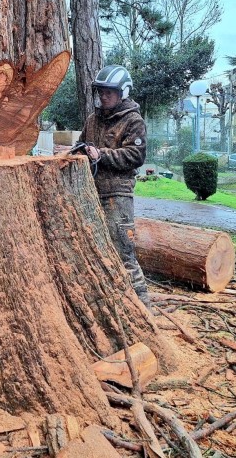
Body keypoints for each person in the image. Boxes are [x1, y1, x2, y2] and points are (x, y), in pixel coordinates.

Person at [79, 65, 150, 307]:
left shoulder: (133, 121)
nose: (103, 96)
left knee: (124, 254)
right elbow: (82, 145)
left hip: (117, 196)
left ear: (123, 92)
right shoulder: (93, 120)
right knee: (94, 251)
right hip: (91, 193)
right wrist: (74, 152)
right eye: (101, 92)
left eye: (108, 92)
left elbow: (135, 155)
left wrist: (101, 155)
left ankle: (143, 310)